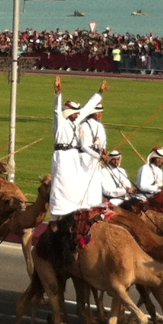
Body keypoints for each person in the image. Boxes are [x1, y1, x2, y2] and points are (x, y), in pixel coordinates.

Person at [49, 77, 105, 218]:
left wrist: (99, 93)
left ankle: (77, 209)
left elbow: (86, 109)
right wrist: (58, 94)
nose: (79, 114)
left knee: (77, 185)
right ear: (69, 112)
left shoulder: (76, 122)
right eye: (76, 112)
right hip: (62, 156)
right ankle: (59, 212)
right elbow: (56, 110)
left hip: (74, 156)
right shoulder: (60, 123)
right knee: (61, 186)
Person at [78, 101, 107, 208]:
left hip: (96, 160)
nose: (100, 114)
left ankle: (95, 206)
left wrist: (104, 154)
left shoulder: (100, 126)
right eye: (98, 112)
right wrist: (99, 156)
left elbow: (103, 146)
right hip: (85, 158)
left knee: (95, 184)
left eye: (101, 112)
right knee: (86, 184)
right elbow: (83, 146)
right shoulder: (83, 126)